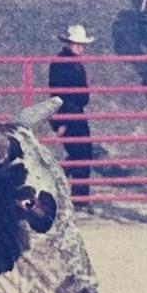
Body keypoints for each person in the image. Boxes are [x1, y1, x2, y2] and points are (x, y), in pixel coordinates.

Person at [44, 25, 95, 202]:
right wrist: (63, 121)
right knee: (81, 154)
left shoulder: (68, 62)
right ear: (70, 44)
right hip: (70, 113)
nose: (81, 48)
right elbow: (61, 93)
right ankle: (79, 197)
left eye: (81, 44)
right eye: (78, 44)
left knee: (82, 154)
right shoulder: (64, 64)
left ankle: (76, 194)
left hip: (74, 113)